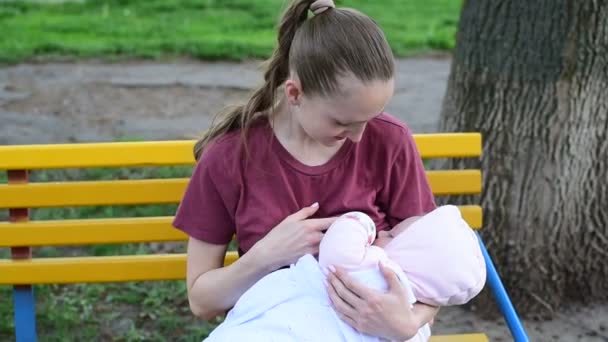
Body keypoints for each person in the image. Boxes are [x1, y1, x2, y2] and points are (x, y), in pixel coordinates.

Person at [173, 0, 440, 340]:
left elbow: (435, 262)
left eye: (368, 120)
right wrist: (268, 255)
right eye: (343, 123)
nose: (359, 137)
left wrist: (410, 322)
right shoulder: (230, 158)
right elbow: (202, 300)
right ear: (295, 93)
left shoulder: (390, 141)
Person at [201, 205, 486, 342]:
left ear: (407, 253)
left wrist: (361, 221)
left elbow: (338, 254)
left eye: (390, 233)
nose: (382, 232)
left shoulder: (376, 267)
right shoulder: (413, 316)